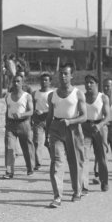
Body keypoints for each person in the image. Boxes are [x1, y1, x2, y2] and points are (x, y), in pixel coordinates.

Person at [46, 63, 87, 208]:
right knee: (56, 162)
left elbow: (84, 116)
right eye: (61, 73)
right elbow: (49, 116)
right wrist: (46, 135)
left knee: (75, 161)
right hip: (56, 129)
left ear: (71, 76)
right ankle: (57, 197)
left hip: (73, 129)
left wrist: (70, 122)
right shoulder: (52, 95)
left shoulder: (78, 94)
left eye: (66, 74)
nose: (63, 76)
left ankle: (77, 190)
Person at [81, 74, 110, 192]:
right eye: (86, 82)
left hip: (99, 127)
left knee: (101, 157)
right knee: (83, 157)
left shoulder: (103, 98)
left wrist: (99, 125)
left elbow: (107, 116)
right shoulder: (82, 97)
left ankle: (104, 181)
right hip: (85, 128)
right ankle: (84, 185)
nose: (88, 85)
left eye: (91, 83)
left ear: (96, 84)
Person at [3, 73, 34, 179]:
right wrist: (6, 122)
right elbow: (7, 110)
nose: (16, 83)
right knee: (9, 148)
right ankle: (9, 171)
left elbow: (31, 111)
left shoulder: (27, 96)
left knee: (27, 148)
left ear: (22, 83)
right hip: (11, 125)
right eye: (14, 81)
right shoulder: (8, 96)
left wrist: (21, 114)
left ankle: (30, 167)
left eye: (18, 81)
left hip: (23, 123)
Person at [30, 73, 52, 170]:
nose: (44, 82)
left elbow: (54, 109)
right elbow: (32, 107)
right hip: (38, 121)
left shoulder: (52, 94)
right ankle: (38, 162)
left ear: (50, 82)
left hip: (49, 120)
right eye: (42, 80)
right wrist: (31, 117)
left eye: (46, 80)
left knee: (50, 142)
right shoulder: (35, 93)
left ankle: (54, 160)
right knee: (37, 142)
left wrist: (44, 111)